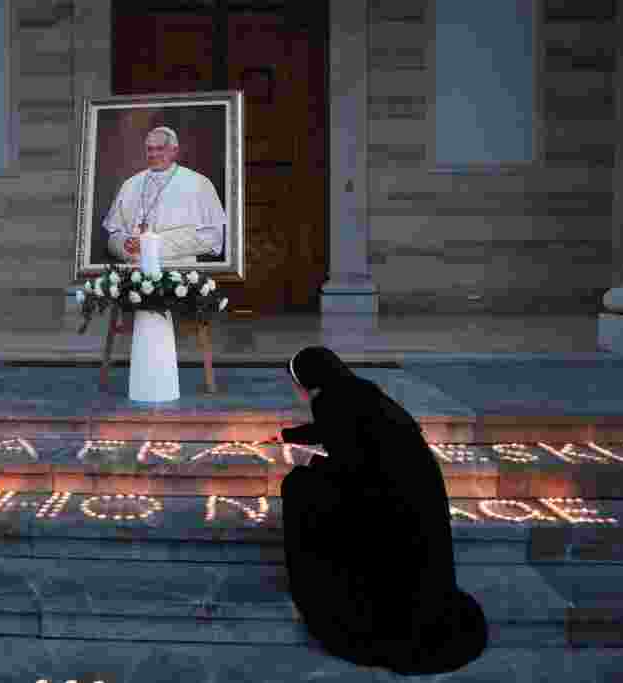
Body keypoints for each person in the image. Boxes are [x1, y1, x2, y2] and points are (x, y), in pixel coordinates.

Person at [263, 346, 488, 675]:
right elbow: (338, 433)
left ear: (308, 382)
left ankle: (333, 583)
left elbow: (349, 467)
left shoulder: (330, 402)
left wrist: (309, 462)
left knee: (299, 489)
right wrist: (288, 435)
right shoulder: (355, 391)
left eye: (295, 384)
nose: (295, 391)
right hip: (417, 489)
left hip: (390, 498)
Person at [103, 126, 226, 265]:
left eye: (160, 148)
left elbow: (212, 238)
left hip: (179, 275)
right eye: (150, 149)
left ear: (174, 151)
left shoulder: (199, 183)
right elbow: (112, 238)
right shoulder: (130, 185)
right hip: (133, 275)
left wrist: (152, 245)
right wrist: (125, 245)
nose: (154, 154)